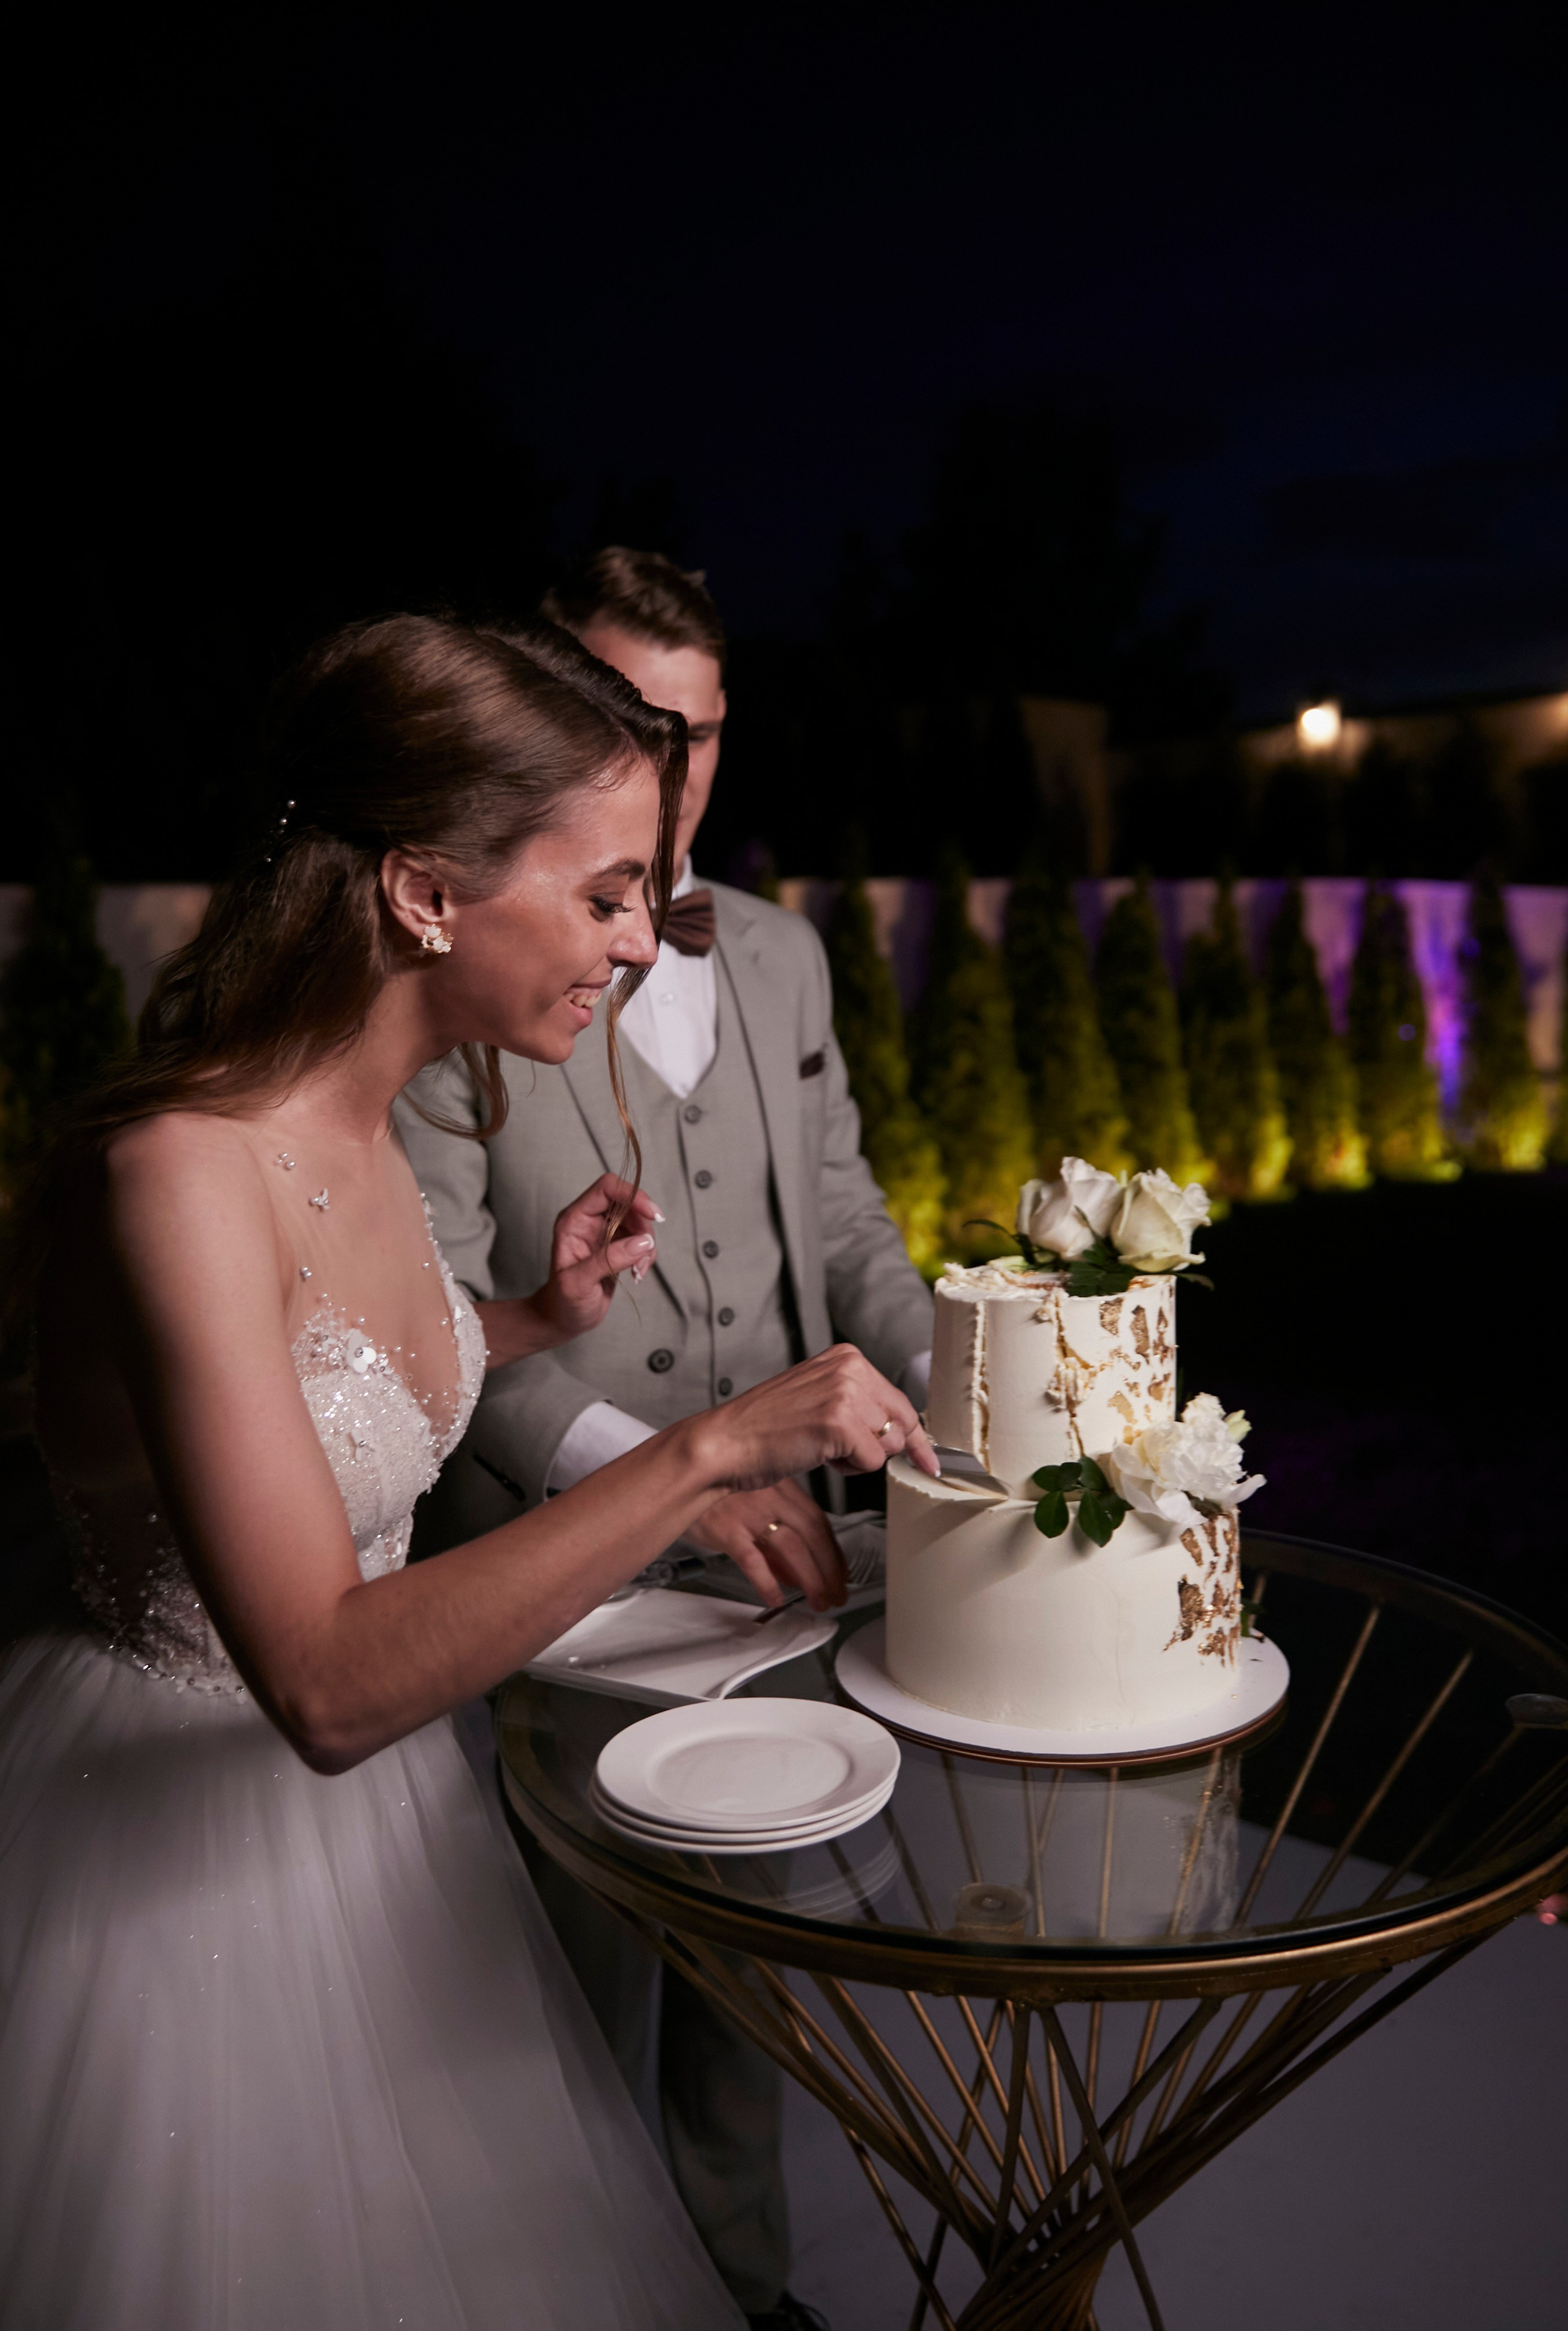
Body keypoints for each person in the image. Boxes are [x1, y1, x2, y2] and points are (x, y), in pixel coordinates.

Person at [0, 611, 935, 2331]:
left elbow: (317, 1396)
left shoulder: (356, 1115)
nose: (644, 944)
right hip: (182, 1884)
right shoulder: (180, 1175)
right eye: (603, 896)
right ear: (427, 893)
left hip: (396, 1848)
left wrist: (519, 1317)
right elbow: (330, 1681)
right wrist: (712, 1448)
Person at [396, 549, 934, 2327]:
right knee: (550, 1981)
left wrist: (972, 1379)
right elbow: (430, 1312)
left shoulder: (777, 954)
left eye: (690, 734)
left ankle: (736, 2287)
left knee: (751, 1960)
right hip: (554, 1569)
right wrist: (659, 1481)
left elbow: (845, 1226)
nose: (670, 774)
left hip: (795, 1548)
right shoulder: (468, 964)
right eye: (630, 730)